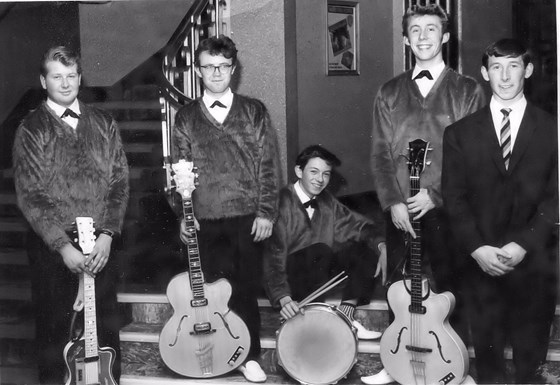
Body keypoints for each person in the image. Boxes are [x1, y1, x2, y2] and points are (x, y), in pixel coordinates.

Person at [365, 4, 486, 384]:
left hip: (446, 208)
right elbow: (380, 154)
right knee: (399, 290)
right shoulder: (388, 92)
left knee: (451, 286)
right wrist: (393, 202)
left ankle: (457, 365)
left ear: (445, 37)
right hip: (400, 209)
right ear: (405, 39)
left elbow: (473, 156)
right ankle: (394, 361)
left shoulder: (466, 91)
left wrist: (435, 195)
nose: (422, 37)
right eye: (415, 30)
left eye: (431, 30)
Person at [442, 38, 558, 384]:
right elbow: (454, 197)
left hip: (534, 262)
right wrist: (478, 249)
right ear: (484, 73)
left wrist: (523, 244)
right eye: (496, 67)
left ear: (529, 71)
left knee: (529, 366)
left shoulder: (553, 130)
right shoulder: (459, 134)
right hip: (481, 264)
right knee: (488, 364)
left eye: (513, 67)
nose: (505, 77)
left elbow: (556, 195)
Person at [12, 46, 128, 384]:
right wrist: (63, 247)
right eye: (56, 77)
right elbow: (31, 195)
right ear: (43, 81)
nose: (65, 84)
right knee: (56, 337)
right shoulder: (31, 128)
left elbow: (119, 183)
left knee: (104, 338)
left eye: (71, 76)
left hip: (100, 248)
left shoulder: (104, 122)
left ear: (80, 78)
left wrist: (108, 235)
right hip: (55, 251)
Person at [173, 35, 281, 383]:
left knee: (245, 287)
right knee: (209, 292)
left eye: (222, 66)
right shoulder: (186, 117)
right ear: (199, 70)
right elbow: (180, 170)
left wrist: (266, 212)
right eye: (208, 67)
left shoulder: (254, 110)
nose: (216, 73)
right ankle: (216, 351)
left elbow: (268, 164)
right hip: (204, 218)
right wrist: (183, 216)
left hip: (248, 217)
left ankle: (248, 355)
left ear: (233, 70)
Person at [263, 145, 387, 339]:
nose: (320, 180)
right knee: (321, 250)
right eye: (313, 171)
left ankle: (346, 316)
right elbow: (272, 256)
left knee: (364, 250)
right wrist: (283, 298)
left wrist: (381, 246)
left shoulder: (327, 201)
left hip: (319, 270)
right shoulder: (281, 201)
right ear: (298, 171)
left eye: (326, 174)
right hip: (289, 277)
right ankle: (314, 320)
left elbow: (358, 226)